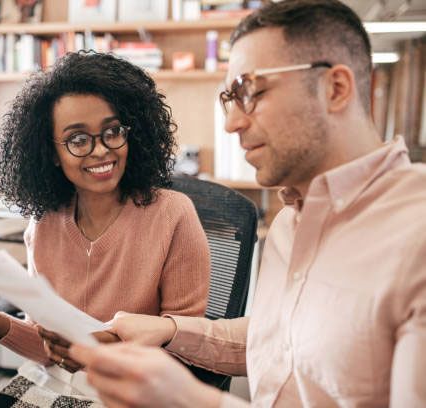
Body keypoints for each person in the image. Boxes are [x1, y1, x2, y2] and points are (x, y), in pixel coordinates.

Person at [69, 1, 426, 406]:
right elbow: (284, 341)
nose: (231, 123)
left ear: (335, 88)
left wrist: (193, 401)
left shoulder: (417, 237)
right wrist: (168, 330)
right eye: (229, 98)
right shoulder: (291, 223)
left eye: (249, 91)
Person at [0, 51, 210, 383]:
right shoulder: (44, 225)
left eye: (112, 132)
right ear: (51, 153)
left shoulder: (174, 215)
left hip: (141, 393)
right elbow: (48, 347)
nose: (100, 150)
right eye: (78, 139)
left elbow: (187, 347)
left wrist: (100, 348)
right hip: (61, 390)